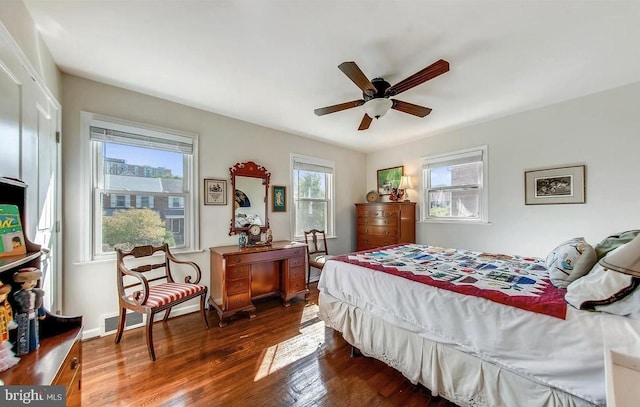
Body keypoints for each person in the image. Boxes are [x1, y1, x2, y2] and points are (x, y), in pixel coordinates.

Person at [12, 268, 46, 356]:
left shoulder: (37, 293)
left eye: (34, 281)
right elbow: (16, 308)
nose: (33, 284)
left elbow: (40, 304)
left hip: (34, 314)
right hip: (23, 316)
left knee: (34, 331)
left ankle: (34, 345)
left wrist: (42, 313)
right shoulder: (18, 296)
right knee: (23, 333)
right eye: (29, 282)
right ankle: (23, 348)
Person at [0, 281, 19, 371]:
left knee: (3, 348)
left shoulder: (4, 307)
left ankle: (4, 363)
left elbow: (7, 316)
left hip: (3, 331)